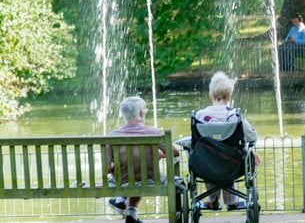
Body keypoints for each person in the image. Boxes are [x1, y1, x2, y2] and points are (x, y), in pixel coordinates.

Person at [194, 71, 262, 211]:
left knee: (209, 156)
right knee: (229, 157)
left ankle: (212, 200)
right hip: (231, 164)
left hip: (206, 164)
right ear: (230, 95)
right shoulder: (234, 115)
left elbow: (196, 141)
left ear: (210, 94)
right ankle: (232, 201)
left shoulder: (199, 115)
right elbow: (252, 137)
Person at [106, 96, 179, 223]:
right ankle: (130, 212)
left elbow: (106, 168)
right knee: (141, 173)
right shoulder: (154, 132)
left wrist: (115, 167)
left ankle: (124, 205)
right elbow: (175, 152)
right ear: (141, 113)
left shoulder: (112, 136)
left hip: (123, 181)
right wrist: (157, 154)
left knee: (132, 173)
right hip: (151, 180)